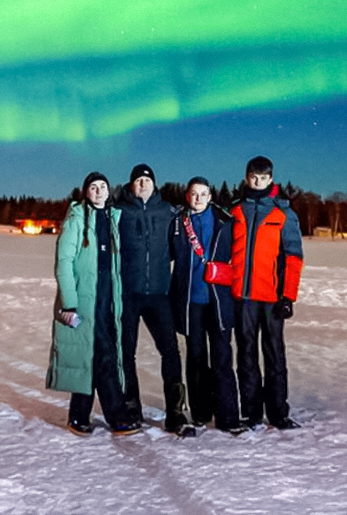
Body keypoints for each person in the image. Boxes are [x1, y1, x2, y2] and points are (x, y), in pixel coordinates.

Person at [47, 171, 140, 436]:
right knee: (99, 357)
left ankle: (79, 416)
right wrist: (70, 302)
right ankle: (115, 416)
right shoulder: (76, 218)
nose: (98, 191)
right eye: (93, 187)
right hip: (84, 302)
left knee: (98, 355)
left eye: (103, 187)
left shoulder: (112, 218)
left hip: (107, 300)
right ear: (85, 192)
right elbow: (64, 262)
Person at [230, 154, 303, 430]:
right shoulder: (236, 211)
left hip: (271, 298)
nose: (257, 181)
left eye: (263, 177)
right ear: (246, 177)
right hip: (242, 298)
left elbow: (293, 257)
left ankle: (278, 412)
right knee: (246, 355)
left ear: (270, 179)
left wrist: (288, 296)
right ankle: (251, 412)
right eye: (253, 176)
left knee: (274, 355)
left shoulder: (283, 214)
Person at [113, 163, 188, 434]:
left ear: (154, 184)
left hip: (159, 294)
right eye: (138, 180)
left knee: (170, 350)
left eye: (147, 179)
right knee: (126, 352)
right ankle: (131, 406)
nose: (143, 184)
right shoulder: (119, 212)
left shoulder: (167, 211)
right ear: (131, 185)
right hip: (129, 294)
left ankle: (176, 411)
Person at [169, 176, 241, 435]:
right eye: (193, 194)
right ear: (187, 196)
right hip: (190, 301)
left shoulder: (225, 221)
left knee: (222, 357)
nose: (198, 198)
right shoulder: (177, 221)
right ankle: (200, 412)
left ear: (210, 197)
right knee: (196, 357)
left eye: (203, 194)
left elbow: (241, 255)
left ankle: (229, 416)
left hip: (219, 300)